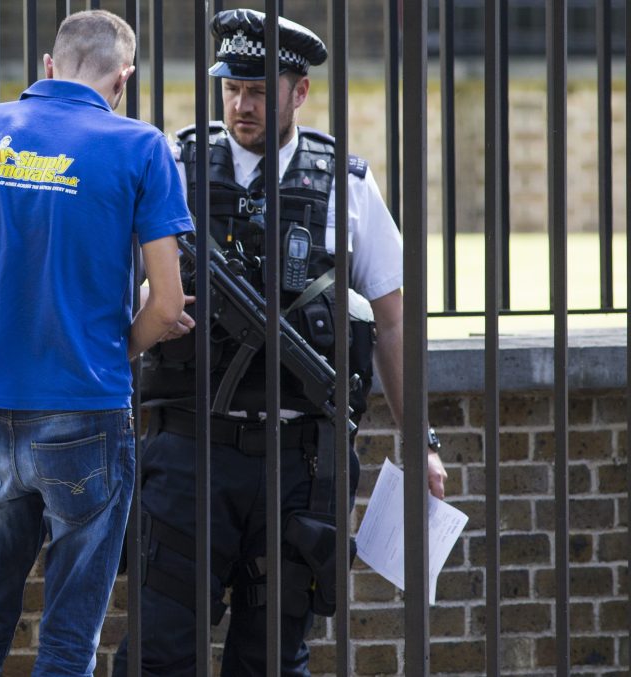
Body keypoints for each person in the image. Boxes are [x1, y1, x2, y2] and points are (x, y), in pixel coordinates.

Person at [113, 9, 448, 677]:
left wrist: (422, 442)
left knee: (272, 656)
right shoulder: (174, 166)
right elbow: (118, 292)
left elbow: (392, 320)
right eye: (232, 87)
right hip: (188, 450)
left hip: (299, 463)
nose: (242, 104)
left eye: (260, 90)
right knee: (158, 652)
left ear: (300, 91)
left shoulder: (346, 185)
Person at [0, 10, 193, 676]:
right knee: (67, 641)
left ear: (49, 66)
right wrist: (113, 350)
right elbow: (166, 305)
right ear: (123, 79)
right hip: (90, 413)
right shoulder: (141, 147)